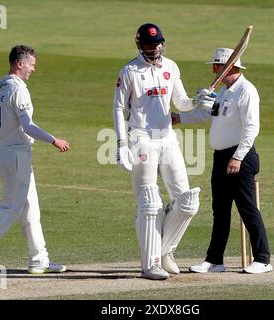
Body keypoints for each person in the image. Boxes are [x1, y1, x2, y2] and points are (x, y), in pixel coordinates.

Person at [0, 45, 70, 277]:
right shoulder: (18, 89)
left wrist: (3, 145)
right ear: (20, 63)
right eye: (31, 64)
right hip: (17, 154)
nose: (33, 69)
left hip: (4, 152)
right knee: (12, 208)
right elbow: (28, 126)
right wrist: (53, 140)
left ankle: (39, 260)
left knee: (31, 208)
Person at [113, 23, 204, 280]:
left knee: (187, 202)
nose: (154, 49)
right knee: (149, 202)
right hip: (141, 139)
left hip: (167, 138)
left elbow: (181, 102)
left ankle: (165, 252)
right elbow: (119, 109)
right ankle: (150, 263)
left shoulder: (171, 67)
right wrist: (121, 144)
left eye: (157, 44)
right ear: (140, 45)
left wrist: (198, 100)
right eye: (149, 45)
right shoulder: (130, 71)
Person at [172, 48, 272, 274]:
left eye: (216, 66)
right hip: (220, 158)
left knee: (247, 209)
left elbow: (252, 127)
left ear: (227, 67)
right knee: (221, 210)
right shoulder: (226, 92)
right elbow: (209, 115)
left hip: (240, 158)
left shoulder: (246, 90)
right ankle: (215, 260)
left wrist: (238, 157)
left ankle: (263, 259)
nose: (213, 70)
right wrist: (180, 118)